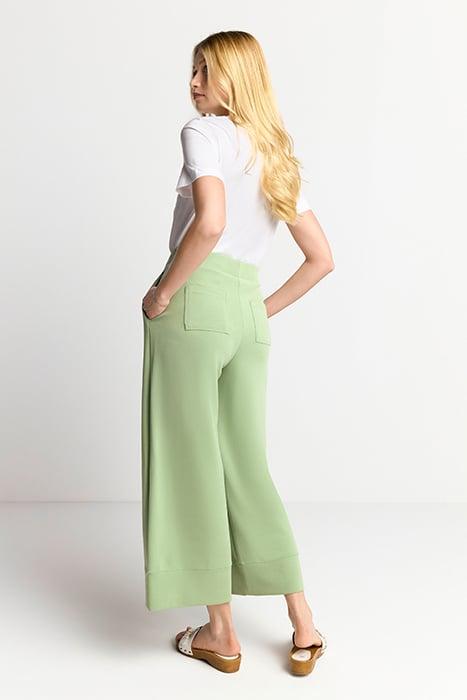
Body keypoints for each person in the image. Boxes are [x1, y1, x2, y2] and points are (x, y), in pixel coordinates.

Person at [141, 31, 334, 675]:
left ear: (236, 77)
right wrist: (257, 311)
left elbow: (212, 221)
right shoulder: (273, 152)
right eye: (193, 70)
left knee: (190, 463)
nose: (194, 83)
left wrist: (163, 291)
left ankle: (220, 632)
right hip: (246, 312)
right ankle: (303, 623)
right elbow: (321, 259)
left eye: (207, 70)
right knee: (246, 465)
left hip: (194, 302)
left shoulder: (203, 132)